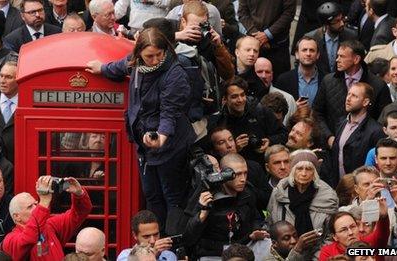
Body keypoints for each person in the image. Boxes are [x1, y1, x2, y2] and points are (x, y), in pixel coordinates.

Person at [86, 27, 196, 234]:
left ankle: (170, 243)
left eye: (158, 55)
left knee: (172, 197)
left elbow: (169, 111)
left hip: (171, 146)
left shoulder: (175, 74)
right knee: (151, 194)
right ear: (139, 54)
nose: (154, 60)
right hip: (144, 146)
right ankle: (152, 238)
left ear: (166, 50)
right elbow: (121, 66)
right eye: (149, 56)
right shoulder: (136, 64)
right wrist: (102, 68)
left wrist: (162, 137)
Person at [183, 153, 267, 259]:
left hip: (243, 247)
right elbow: (188, 239)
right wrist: (203, 213)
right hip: (215, 252)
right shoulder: (205, 195)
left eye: (245, 173)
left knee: (267, 244)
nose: (243, 179)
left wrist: (255, 230)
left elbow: (256, 217)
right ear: (223, 173)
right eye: (238, 174)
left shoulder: (247, 192)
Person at [312, 40, 391, 148]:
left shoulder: (378, 85)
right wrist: (329, 137)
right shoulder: (328, 81)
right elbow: (317, 113)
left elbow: (384, 118)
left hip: (364, 148)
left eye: (342, 56)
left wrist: (365, 139)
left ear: (356, 59)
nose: (337, 60)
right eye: (337, 56)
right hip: (331, 146)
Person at [2, 175, 92, 260]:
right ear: (17, 217)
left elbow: (79, 214)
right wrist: (44, 202)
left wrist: (79, 194)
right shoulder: (10, 240)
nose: (36, 208)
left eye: (36, 204)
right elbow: (29, 237)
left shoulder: (50, 225)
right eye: (30, 207)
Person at [208, 76, 287, 165]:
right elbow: (212, 153)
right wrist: (235, 149)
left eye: (242, 95)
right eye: (234, 96)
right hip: (235, 167)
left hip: (262, 166)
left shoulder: (261, 112)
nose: (240, 100)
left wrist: (269, 141)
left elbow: (284, 134)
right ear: (225, 99)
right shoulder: (219, 122)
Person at [267, 150, 338, 236]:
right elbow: (269, 224)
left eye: (309, 169)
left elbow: (332, 235)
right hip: (286, 247)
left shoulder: (328, 198)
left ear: (314, 173)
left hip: (319, 247)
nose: (304, 173)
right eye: (299, 169)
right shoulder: (279, 192)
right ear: (293, 171)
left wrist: (321, 250)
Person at [331, 82, 386, 185]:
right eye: (348, 94)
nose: (348, 98)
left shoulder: (376, 131)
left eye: (354, 96)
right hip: (339, 185)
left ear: (365, 102)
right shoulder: (341, 123)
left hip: (361, 186)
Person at [238, 0, 296, 79]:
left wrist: (268, 34)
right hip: (254, 45)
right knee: (252, 81)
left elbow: (289, 13)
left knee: (280, 81)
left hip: (278, 45)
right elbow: (242, 13)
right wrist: (258, 36)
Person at [319, 206, 390, 261]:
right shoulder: (328, 252)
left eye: (353, 227)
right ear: (335, 237)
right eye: (344, 230)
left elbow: (382, 234)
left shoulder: (368, 242)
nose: (350, 232)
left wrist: (383, 216)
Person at [305, 2, 357, 76]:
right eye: (337, 21)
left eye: (342, 19)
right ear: (326, 24)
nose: (342, 23)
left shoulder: (351, 36)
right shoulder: (312, 38)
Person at [276, 36, 323, 106]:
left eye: (312, 50)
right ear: (297, 54)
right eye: (304, 50)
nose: (308, 54)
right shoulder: (283, 80)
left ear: (318, 55)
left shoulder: (326, 79)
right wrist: (293, 108)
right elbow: (278, 109)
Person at [254, 57, 297, 126]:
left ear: (272, 75)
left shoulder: (288, 99)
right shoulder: (245, 98)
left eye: (267, 72)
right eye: (259, 72)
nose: (264, 76)